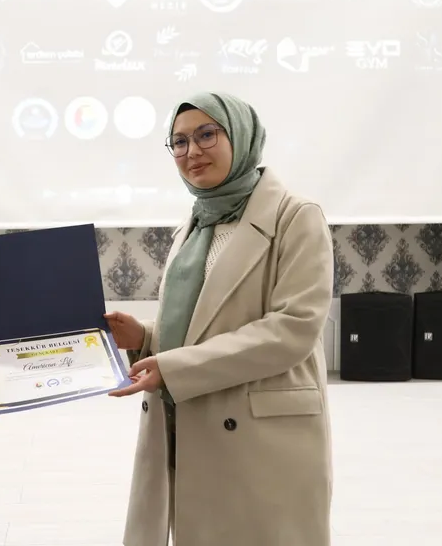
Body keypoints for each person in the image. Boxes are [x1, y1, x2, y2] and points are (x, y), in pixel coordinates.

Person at [106, 92, 334, 546]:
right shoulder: (195, 223)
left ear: (242, 136)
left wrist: (172, 367)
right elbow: (204, 324)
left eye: (207, 134)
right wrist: (145, 338)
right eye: (179, 141)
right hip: (190, 418)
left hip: (261, 435)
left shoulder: (296, 217)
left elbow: (293, 328)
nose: (192, 151)